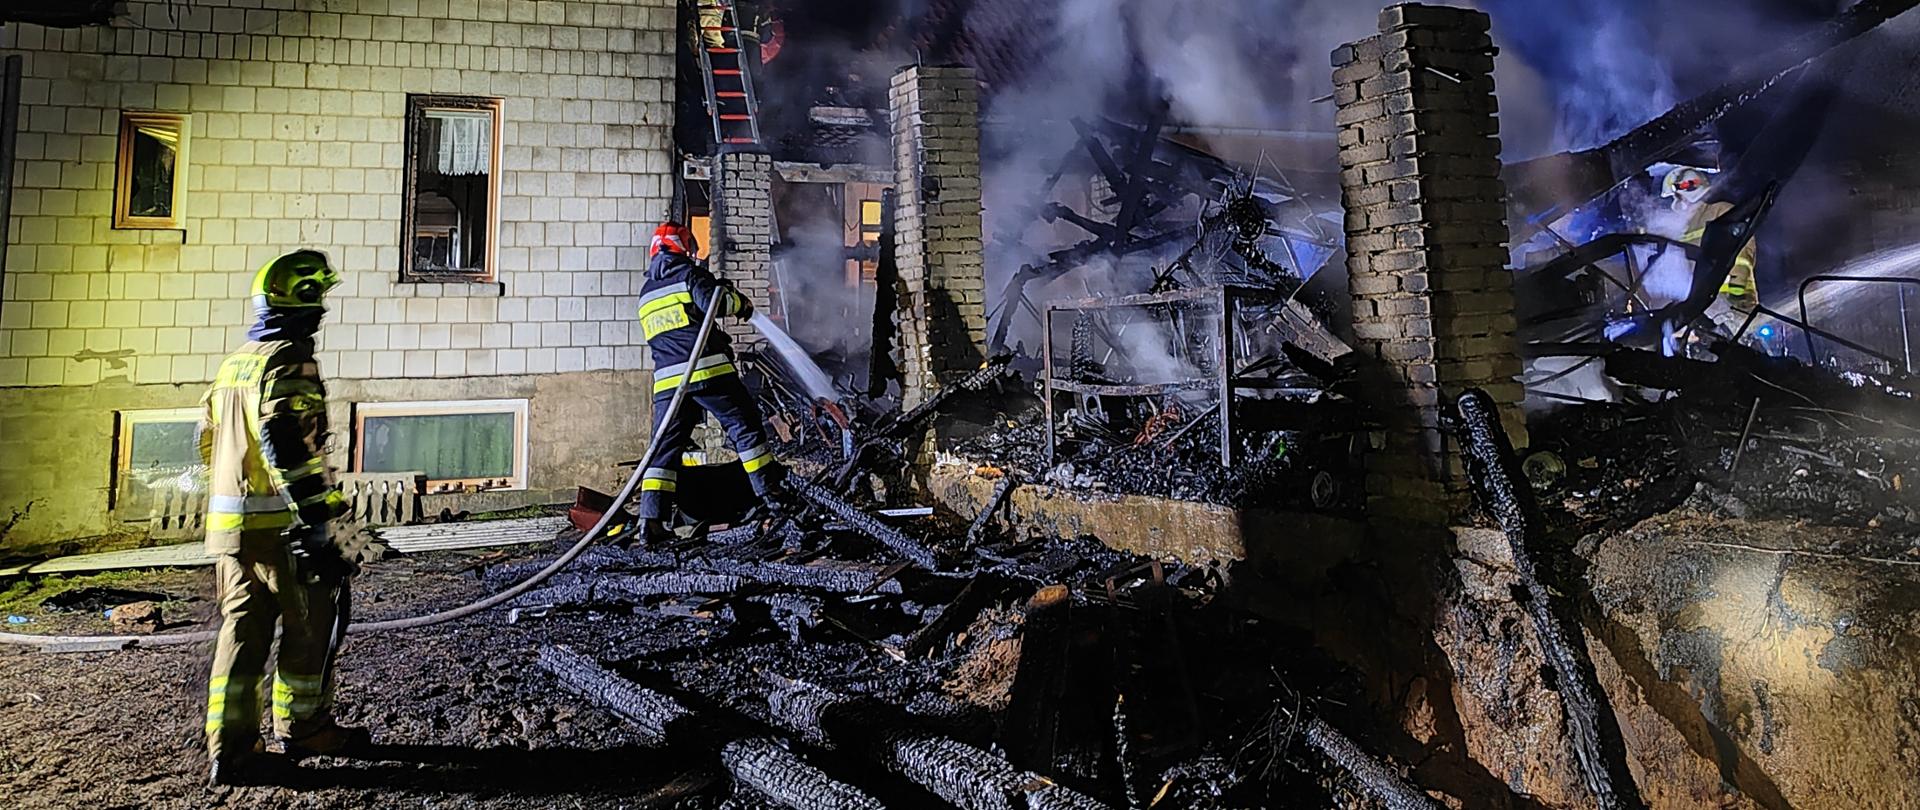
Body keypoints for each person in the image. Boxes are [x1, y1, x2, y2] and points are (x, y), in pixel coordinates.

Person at [198, 250, 364, 786]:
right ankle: (304, 727)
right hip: (283, 530)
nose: (322, 313)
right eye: (316, 301)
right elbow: (288, 446)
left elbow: (207, 441)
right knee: (310, 627)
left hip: (233, 529)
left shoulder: (237, 362)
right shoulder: (289, 360)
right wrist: (326, 525)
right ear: (297, 305)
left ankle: (230, 750)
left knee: (241, 635)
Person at [633, 221, 787, 544]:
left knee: (663, 451)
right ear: (681, 246)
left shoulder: (646, 293)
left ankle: (650, 522)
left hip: (668, 386)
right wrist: (738, 302)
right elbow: (715, 304)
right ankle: (772, 496)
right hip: (706, 371)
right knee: (745, 426)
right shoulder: (688, 275)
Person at [1663, 166, 1759, 336]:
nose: (1677, 203)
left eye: (1677, 197)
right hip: (1705, 311)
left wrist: (1736, 295)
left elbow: (1741, 257)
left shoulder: (1721, 211)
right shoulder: (1685, 227)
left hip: (1732, 307)